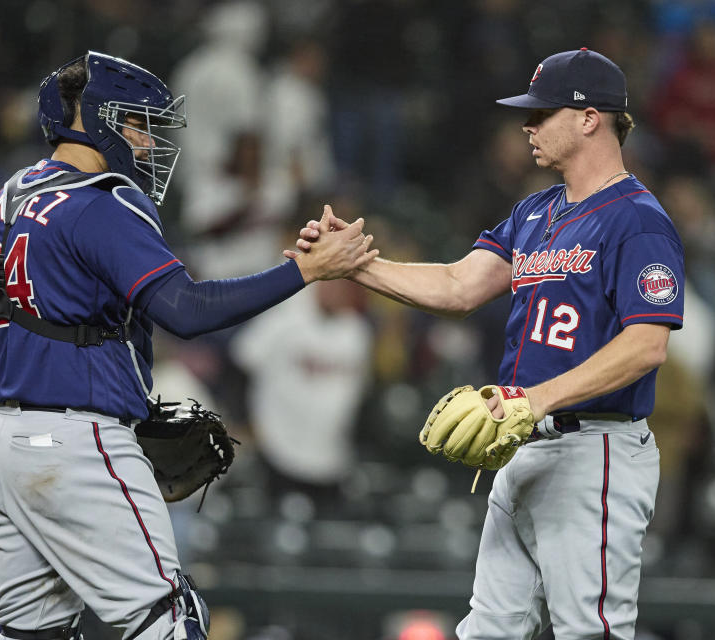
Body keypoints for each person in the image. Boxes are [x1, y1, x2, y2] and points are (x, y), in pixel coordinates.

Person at [0, 51, 376, 640]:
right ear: (99, 118)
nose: (146, 141)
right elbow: (187, 310)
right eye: (135, 123)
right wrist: (305, 271)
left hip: (4, 445)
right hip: (77, 441)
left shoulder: (1, 205)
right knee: (171, 621)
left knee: (34, 634)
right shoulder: (99, 201)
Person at [293, 49, 685, 640]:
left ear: (589, 119)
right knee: (488, 630)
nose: (527, 126)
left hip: (596, 449)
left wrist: (537, 400)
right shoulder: (536, 211)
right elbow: (459, 284)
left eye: (542, 113)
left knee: (590, 631)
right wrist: (355, 266)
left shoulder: (638, 221)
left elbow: (647, 346)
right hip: (523, 445)